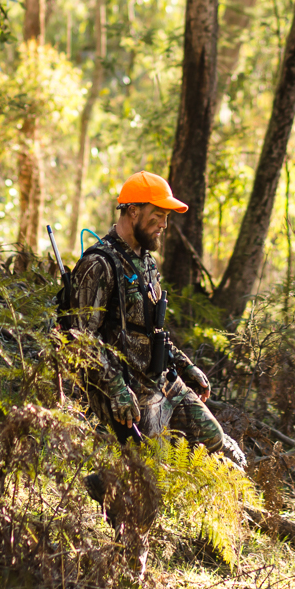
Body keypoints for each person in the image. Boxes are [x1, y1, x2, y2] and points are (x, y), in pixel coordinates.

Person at [71, 171, 245, 469]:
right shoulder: (99, 264)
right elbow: (80, 337)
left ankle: (240, 509)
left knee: (221, 446)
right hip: (128, 395)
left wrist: (185, 365)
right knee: (152, 474)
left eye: (166, 217)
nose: (164, 225)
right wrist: (115, 389)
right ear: (133, 211)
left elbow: (152, 331)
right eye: (158, 216)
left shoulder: (147, 262)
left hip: (162, 384)